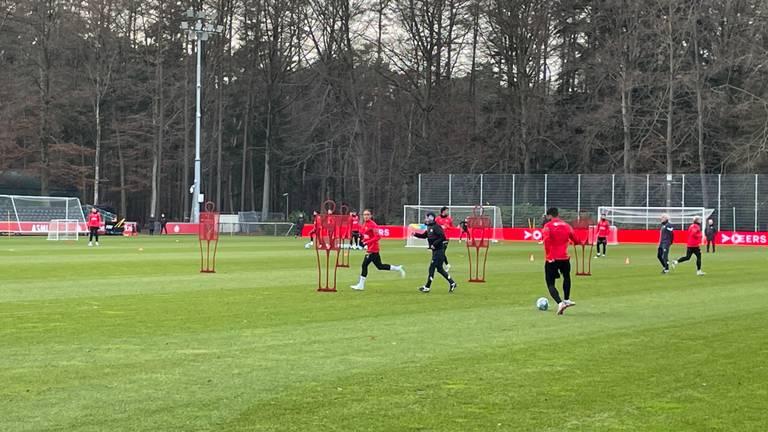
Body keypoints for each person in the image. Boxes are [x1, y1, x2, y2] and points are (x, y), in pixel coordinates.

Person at [350, 209, 406, 290]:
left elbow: (378, 237)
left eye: (367, 214)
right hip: (370, 248)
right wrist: (363, 240)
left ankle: (361, 285)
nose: (366, 216)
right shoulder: (365, 224)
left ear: (370, 215)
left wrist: (367, 242)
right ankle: (398, 268)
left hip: (373, 249)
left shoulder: (373, 225)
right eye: (364, 214)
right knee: (380, 266)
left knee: (364, 265)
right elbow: (365, 234)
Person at [542, 207, 579, 315]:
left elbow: (546, 240)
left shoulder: (548, 226)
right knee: (566, 277)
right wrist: (576, 242)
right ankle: (567, 299)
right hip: (564, 257)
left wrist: (549, 256)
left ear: (549, 216)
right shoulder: (566, 225)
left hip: (552, 258)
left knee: (550, 283)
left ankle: (560, 303)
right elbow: (575, 239)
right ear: (557, 214)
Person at [413, 212, 457, 293]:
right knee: (440, 269)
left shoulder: (436, 227)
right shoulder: (429, 227)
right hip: (436, 251)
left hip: (439, 251)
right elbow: (425, 235)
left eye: (426, 217)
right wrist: (415, 234)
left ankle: (427, 286)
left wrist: (434, 244)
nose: (425, 219)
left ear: (430, 218)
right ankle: (452, 283)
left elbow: (443, 237)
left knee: (432, 268)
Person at [435, 206, 453, 271]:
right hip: (439, 237)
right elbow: (435, 227)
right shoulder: (437, 219)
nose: (447, 212)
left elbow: (452, 228)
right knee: (440, 252)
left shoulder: (449, 219)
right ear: (443, 211)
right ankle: (447, 265)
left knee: (442, 252)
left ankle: (443, 265)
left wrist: (448, 227)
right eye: (446, 211)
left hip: (446, 238)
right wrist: (440, 227)